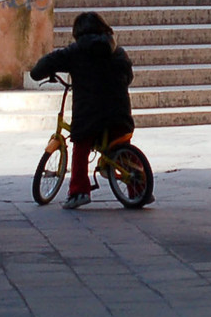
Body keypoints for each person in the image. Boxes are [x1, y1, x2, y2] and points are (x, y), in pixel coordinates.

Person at [29, 12, 135, 209]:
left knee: (81, 147)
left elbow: (41, 68)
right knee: (122, 148)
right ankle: (138, 189)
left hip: (89, 114)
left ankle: (78, 192)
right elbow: (128, 77)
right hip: (120, 113)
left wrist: (41, 73)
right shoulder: (118, 51)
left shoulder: (74, 52)